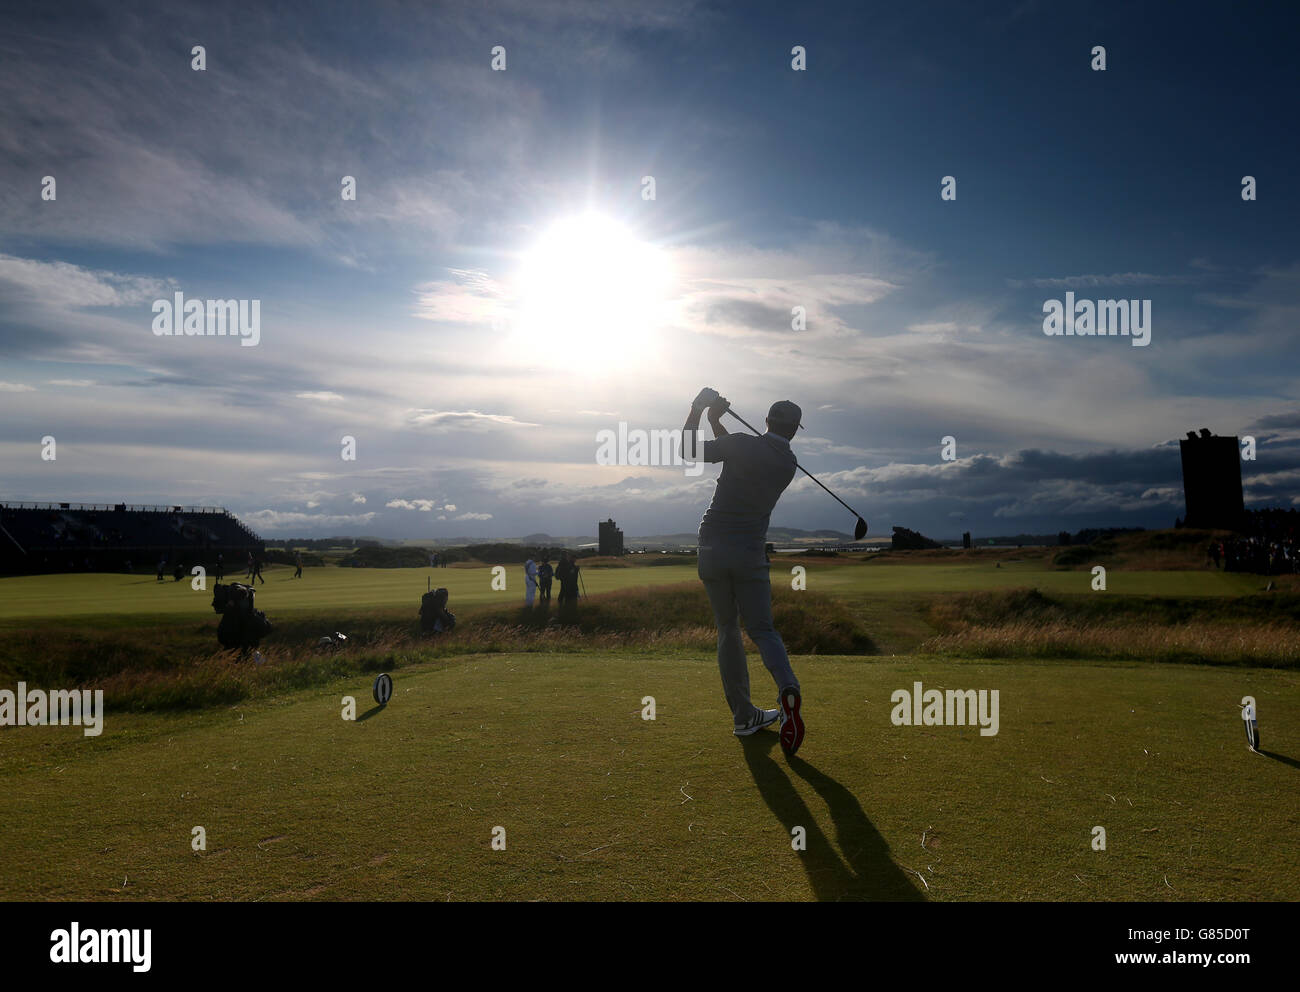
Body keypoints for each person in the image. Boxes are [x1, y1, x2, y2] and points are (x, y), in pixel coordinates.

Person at [683, 387, 805, 755]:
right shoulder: (788, 464)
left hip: (712, 548)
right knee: (762, 629)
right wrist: (717, 422)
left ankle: (743, 716)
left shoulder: (739, 444)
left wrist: (699, 410)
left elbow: (690, 451)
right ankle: (788, 689)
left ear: (766, 421)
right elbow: (742, 455)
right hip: (750, 552)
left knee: (727, 629)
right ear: (795, 430)